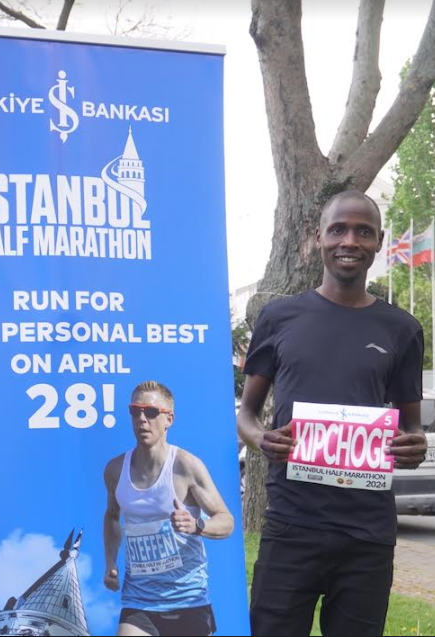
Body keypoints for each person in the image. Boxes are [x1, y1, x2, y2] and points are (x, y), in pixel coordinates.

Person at [238, 190, 430, 636]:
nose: (350, 240)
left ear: (379, 241)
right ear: (317, 237)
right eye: (338, 229)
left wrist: (413, 446)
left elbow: (412, 429)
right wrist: (261, 438)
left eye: (363, 231)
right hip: (292, 524)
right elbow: (246, 415)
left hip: (366, 534)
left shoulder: (402, 329)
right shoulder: (279, 317)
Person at [103, 380, 234, 637]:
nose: (142, 419)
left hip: (188, 599)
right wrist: (110, 562)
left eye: (151, 412)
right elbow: (111, 517)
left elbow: (226, 521)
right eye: (135, 411)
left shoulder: (186, 466)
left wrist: (197, 525)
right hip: (139, 601)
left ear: (168, 419)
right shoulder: (115, 470)